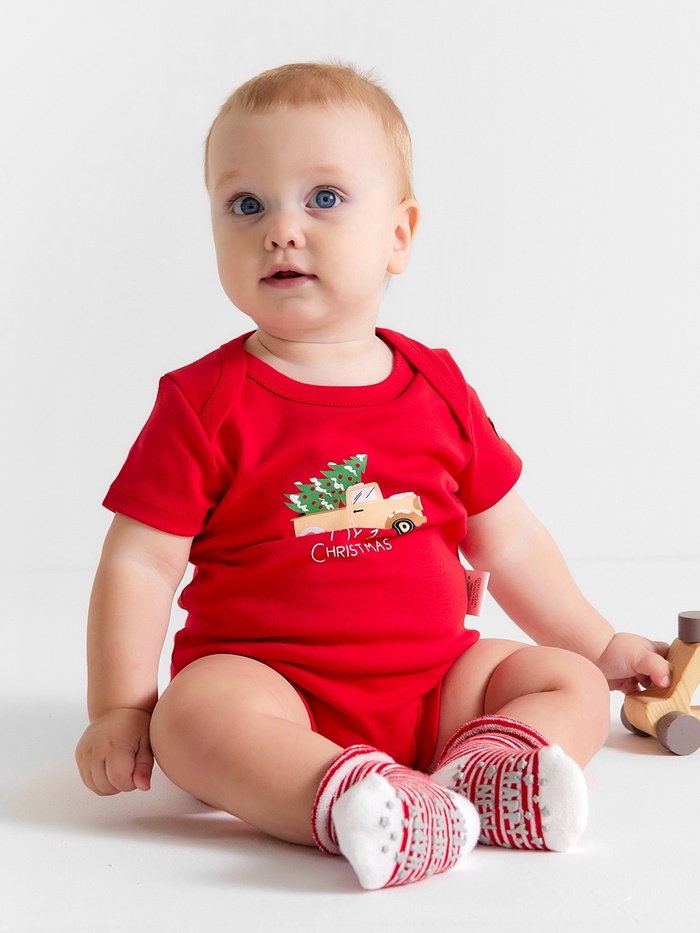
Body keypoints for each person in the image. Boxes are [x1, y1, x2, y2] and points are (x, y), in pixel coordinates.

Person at [75, 61, 671, 891]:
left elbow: (511, 540)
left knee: (565, 682)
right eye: (246, 205)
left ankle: (486, 775)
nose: (281, 229)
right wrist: (121, 706)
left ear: (399, 234)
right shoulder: (203, 402)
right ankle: (345, 798)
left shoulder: (438, 386)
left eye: (323, 198)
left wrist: (599, 645)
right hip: (274, 693)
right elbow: (140, 563)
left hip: (436, 688)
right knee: (191, 717)